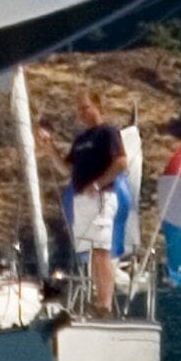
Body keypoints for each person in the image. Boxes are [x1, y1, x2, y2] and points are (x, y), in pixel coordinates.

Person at [63, 92, 130, 313]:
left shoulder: (107, 133)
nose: (82, 113)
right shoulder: (80, 140)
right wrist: (48, 148)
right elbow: (66, 169)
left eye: (86, 107)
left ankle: (105, 303)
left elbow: (121, 162)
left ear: (98, 106)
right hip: (81, 199)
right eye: (79, 109)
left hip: (101, 197)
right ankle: (97, 299)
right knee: (91, 250)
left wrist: (99, 184)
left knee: (101, 250)